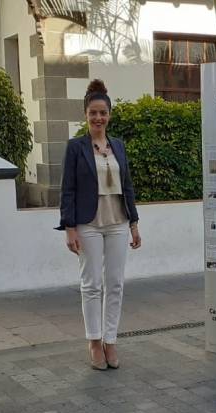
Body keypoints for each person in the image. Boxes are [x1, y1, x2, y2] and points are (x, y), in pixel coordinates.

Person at [58, 79, 141, 370]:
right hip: (88, 223)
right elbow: (67, 189)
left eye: (103, 113)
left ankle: (110, 340)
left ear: (109, 115)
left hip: (118, 220)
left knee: (115, 283)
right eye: (93, 113)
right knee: (91, 284)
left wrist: (134, 223)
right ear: (85, 115)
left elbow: (127, 185)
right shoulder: (76, 148)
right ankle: (94, 341)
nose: (98, 118)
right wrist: (69, 227)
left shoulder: (117, 146)